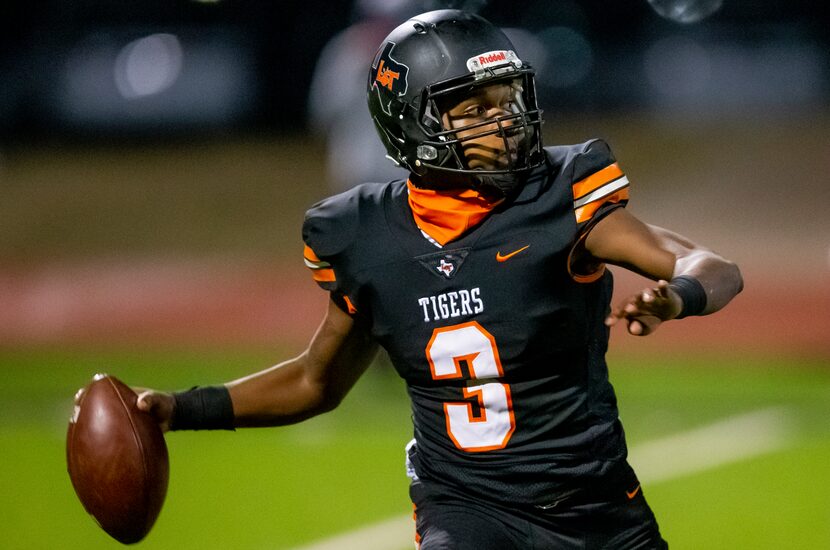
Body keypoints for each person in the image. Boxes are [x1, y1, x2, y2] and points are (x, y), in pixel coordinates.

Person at [127, 10, 743, 549]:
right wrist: (181, 410)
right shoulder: (364, 235)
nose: (501, 122)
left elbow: (714, 268)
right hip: (468, 514)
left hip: (597, 512)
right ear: (412, 124)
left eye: (506, 100)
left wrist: (679, 296)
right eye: (473, 109)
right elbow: (317, 381)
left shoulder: (561, 198)